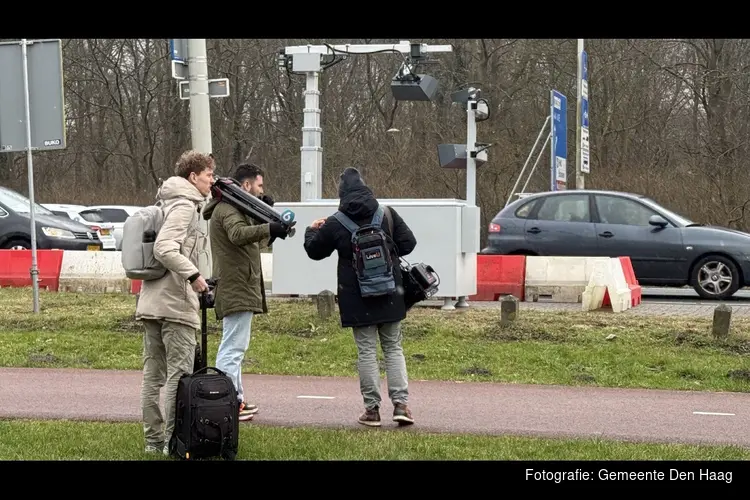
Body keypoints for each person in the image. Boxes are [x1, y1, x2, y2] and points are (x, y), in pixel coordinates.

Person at [303, 167, 418, 427]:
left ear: (341, 195)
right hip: (390, 292)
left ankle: (372, 410)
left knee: (366, 352)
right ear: (367, 189)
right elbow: (409, 244)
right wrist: (387, 251)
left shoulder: (336, 222)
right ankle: (401, 406)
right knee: (393, 348)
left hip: (357, 298)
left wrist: (312, 230)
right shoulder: (386, 214)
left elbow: (314, 251)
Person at [136, 150, 214, 455]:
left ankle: (153, 443)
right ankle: (171, 442)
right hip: (174, 305)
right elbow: (164, 248)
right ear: (193, 177)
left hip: (152, 302)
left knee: (152, 376)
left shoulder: (165, 202)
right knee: (177, 377)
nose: (212, 180)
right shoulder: (185, 206)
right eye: (208, 175)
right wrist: (194, 275)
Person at [202, 163, 288, 422]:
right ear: (247, 185)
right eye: (259, 186)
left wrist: (268, 227)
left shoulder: (237, 208)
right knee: (232, 348)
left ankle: (236, 398)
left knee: (236, 346)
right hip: (236, 284)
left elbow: (254, 241)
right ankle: (227, 402)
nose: (262, 190)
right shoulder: (227, 208)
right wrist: (269, 228)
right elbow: (238, 234)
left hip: (242, 283)